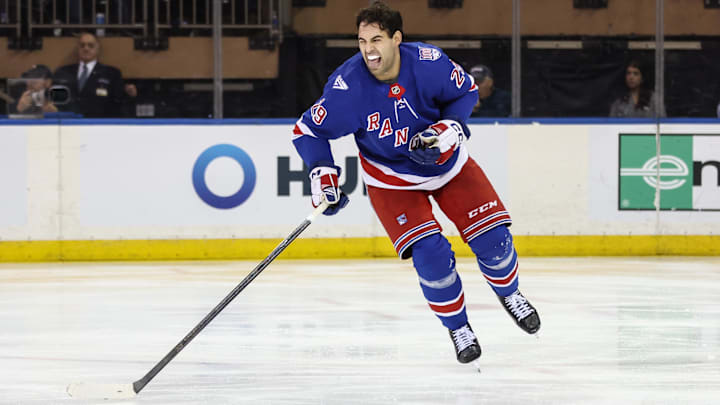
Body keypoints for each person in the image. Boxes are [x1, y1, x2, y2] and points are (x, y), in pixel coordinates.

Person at [291, 1, 540, 366]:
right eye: (361, 41)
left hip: (448, 166)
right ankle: (459, 328)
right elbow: (308, 130)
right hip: (391, 180)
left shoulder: (427, 62)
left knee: (493, 240)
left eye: (376, 39)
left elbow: (466, 91)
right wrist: (321, 171)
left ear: (396, 38)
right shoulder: (347, 87)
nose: (368, 50)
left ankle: (510, 293)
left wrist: (450, 128)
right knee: (431, 256)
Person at [53, 32, 136, 117]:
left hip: (98, 125)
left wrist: (129, 96)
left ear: (98, 49)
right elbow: (54, 99)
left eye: (90, 45)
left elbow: (119, 103)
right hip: (69, 124)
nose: (86, 48)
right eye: (82, 45)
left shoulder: (111, 73)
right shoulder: (63, 72)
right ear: (78, 48)